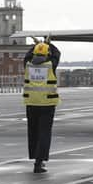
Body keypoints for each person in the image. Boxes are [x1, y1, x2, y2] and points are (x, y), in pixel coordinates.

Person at [23, 40, 61, 173]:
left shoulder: (27, 65)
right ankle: (39, 162)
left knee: (33, 132)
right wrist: (47, 43)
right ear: (47, 54)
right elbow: (57, 54)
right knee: (44, 133)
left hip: (31, 103)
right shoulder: (50, 65)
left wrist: (37, 44)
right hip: (47, 104)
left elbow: (27, 55)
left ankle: (35, 158)